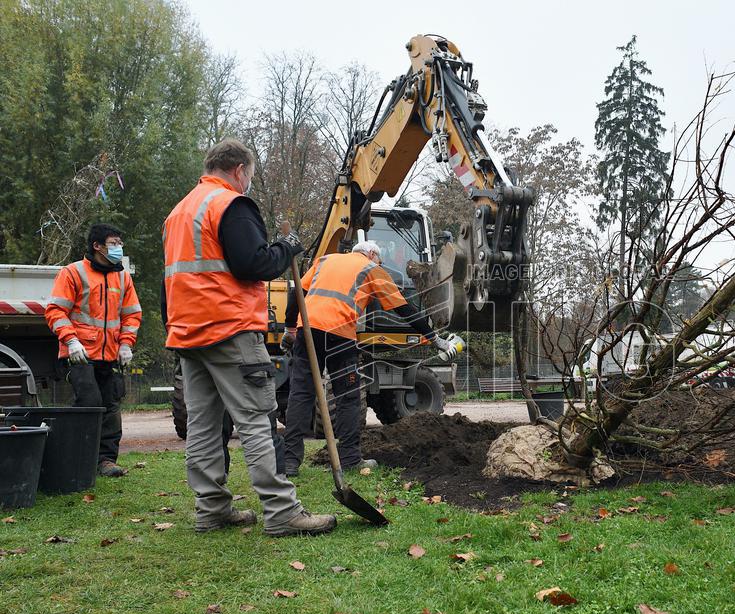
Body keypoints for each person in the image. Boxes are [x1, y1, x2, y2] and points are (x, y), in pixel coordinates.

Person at [162, 138, 335, 536]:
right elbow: (251, 264)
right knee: (257, 419)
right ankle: (282, 511)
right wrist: (286, 247)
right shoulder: (230, 205)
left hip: (188, 333)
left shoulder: (179, 212)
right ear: (240, 170)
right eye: (251, 176)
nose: (249, 183)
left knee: (204, 427)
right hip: (230, 329)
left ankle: (211, 509)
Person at [281, 240, 459, 477]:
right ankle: (351, 460)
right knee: (348, 397)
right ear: (372, 254)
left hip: (307, 331)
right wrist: (434, 339)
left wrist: (290, 329)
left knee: (301, 393)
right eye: (380, 260)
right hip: (340, 334)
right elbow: (403, 308)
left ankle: (290, 462)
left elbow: (297, 294)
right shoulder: (371, 269)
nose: (381, 264)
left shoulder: (325, 260)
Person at [45, 223, 142, 477]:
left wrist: (126, 344)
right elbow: (55, 311)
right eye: (113, 243)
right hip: (80, 355)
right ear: (96, 246)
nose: (118, 248)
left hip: (109, 355)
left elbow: (132, 315)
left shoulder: (123, 277)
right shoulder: (73, 273)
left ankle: (106, 461)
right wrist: (71, 341)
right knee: (90, 402)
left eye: (120, 243)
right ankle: (80, 458)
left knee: (110, 406)